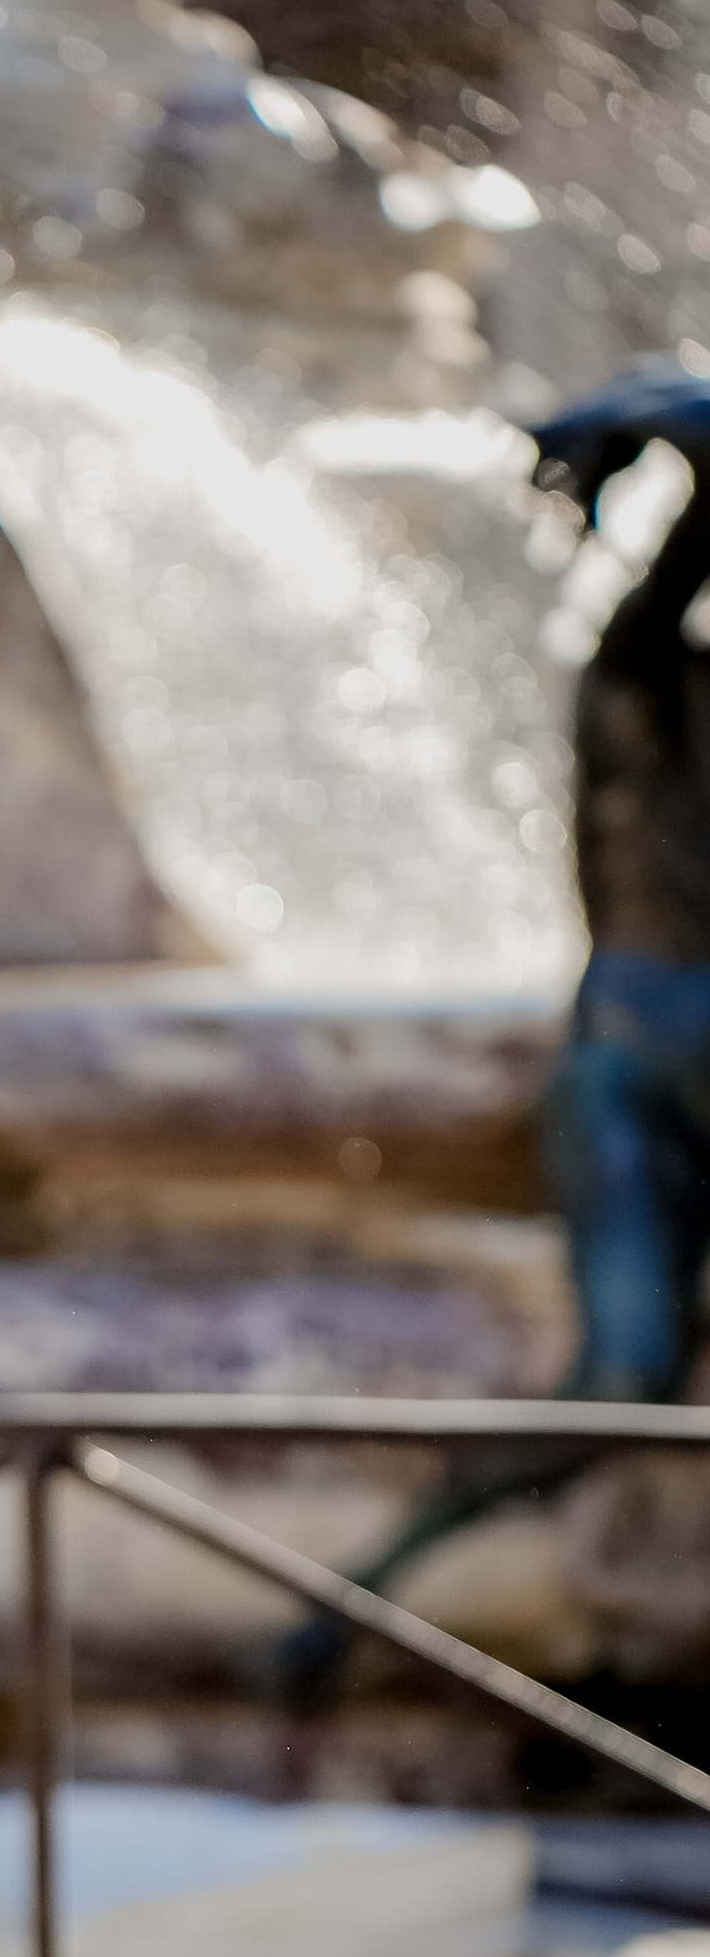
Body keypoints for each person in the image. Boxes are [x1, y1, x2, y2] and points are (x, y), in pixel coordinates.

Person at [277, 362, 710, 1702]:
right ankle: (364, 1595)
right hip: (633, 1081)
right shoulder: (638, 692)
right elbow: (667, 589)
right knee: (627, 1374)